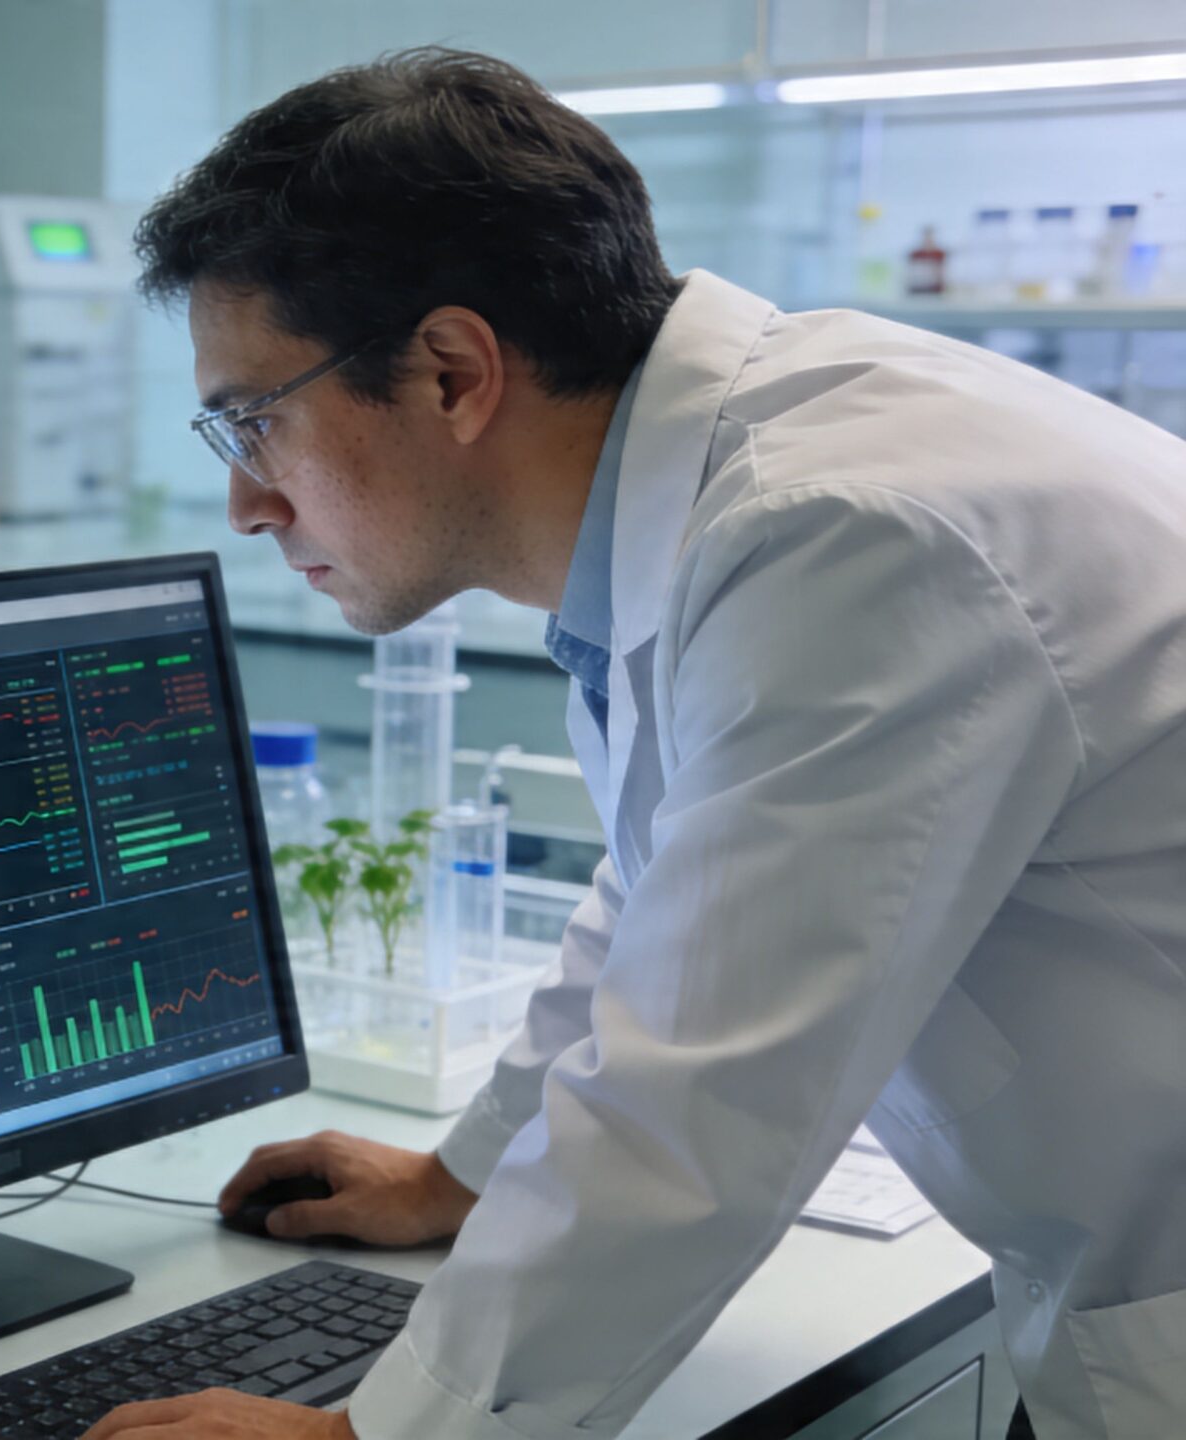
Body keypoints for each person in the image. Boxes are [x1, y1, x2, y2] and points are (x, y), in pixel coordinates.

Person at [85, 46, 1186, 1440]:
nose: (248, 502)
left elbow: (704, 1101)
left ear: (449, 372)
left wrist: (381, 1437)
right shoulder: (732, 494)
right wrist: (466, 1175)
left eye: (256, 422)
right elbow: (678, 900)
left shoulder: (842, 532)